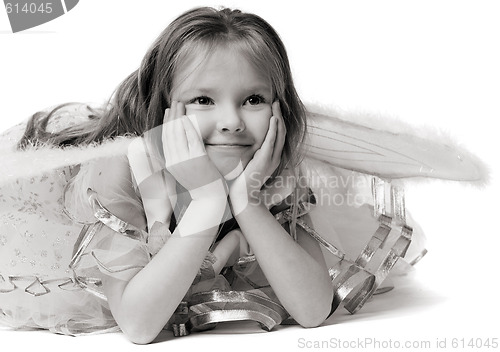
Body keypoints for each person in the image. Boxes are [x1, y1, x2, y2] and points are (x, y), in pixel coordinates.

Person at [0, 6, 484, 345]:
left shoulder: (272, 165)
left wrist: (247, 200)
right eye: (203, 100)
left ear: (277, 108)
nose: (231, 120)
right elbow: (140, 325)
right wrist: (210, 204)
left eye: (252, 99)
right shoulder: (121, 169)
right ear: (166, 108)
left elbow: (314, 310)